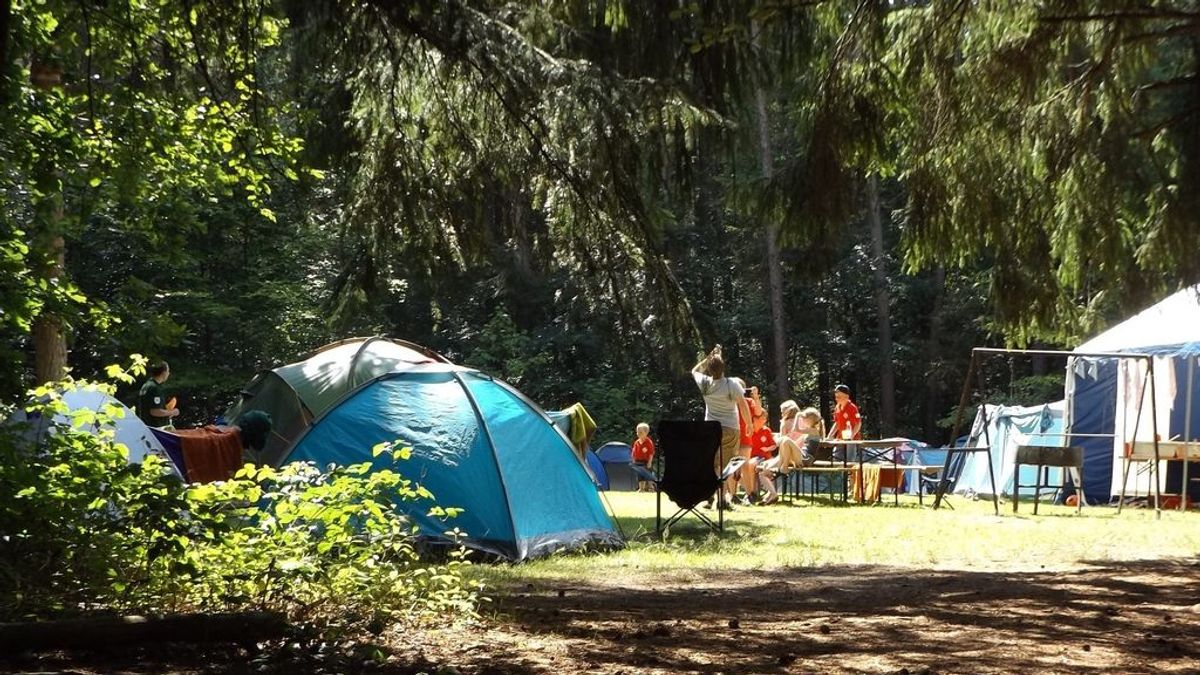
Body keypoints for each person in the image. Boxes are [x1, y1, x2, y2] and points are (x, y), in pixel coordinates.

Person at [692, 345, 750, 509]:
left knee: (713, 464)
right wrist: (749, 425)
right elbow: (743, 405)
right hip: (731, 428)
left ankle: (714, 496)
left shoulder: (705, 383)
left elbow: (694, 370)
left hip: (710, 429)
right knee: (726, 465)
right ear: (724, 367)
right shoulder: (732, 384)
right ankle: (722, 499)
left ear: (709, 370)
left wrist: (708, 358)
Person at [136, 361, 180, 429]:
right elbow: (155, 411)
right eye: (168, 371)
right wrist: (172, 412)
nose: (169, 373)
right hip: (156, 429)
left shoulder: (146, 385)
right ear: (164, 373)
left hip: (146, 427)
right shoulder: (155, 388)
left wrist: (166, 412)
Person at [631, 422, 656, 492]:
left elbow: (651, 453)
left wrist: (649, 462)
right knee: (640, 476)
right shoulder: (636, 442)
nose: (638, 434)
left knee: (648, 475)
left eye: (641, 432)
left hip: (646, 461)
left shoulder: (648, 442)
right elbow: (634, 452)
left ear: (646, 433)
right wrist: (633, 460)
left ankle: (651, 488)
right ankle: (641, 488)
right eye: (637, 432)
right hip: (638, 461)